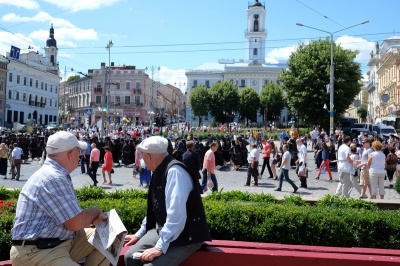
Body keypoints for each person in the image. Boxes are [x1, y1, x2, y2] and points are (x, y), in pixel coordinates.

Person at [10, 131, 109, 266]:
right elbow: (75, 222)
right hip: (37, 251)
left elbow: (72, 220)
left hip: (56, 244)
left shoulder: (54, 173)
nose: (80, 155)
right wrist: (96, 211)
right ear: (71, 155)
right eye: (78, 151)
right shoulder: (54, 178)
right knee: (104, 236)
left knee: (108, 237)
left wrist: (90, 220)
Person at [123, 136, 211, 266]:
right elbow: (157, 208)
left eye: (142, 156)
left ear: (149, 156)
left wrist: (159, 247)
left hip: (186, 238)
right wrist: (140, 233)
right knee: (129, 257)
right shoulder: (160, 170)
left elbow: (176, 218)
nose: (142, 161)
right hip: (166, 231)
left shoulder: (175, 173)